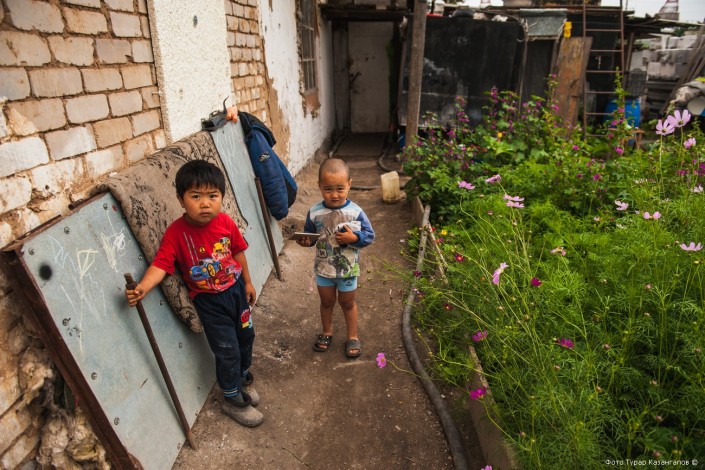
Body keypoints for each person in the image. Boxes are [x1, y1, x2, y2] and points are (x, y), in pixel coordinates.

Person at [124, 159, 263, 428]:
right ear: (180, 198)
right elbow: (161, 265)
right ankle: (232, 398)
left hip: (236, 291)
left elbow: (237, 253)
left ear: (222, 197)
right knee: (227, 349)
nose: (205, 203)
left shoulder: (226, 222)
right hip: (210, 302)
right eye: (196, 196)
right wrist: (142, 287)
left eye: (213, 196)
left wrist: (248, 283)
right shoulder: (176, 234)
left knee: (246, 336)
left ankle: (242, 378)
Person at [295, 158, 375, 358]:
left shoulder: (355, 212)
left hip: (347, 269)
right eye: (328, 189)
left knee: (347, 303)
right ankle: (327, 331)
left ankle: (353, 336)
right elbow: (311, 236)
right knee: (326, 302)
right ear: (319, 186)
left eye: (340, 189)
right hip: (324, 269)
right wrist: (306, 241)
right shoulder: (315, 212)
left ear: (349, 184)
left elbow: (369, 236)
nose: (334, 194)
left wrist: (354, 238)